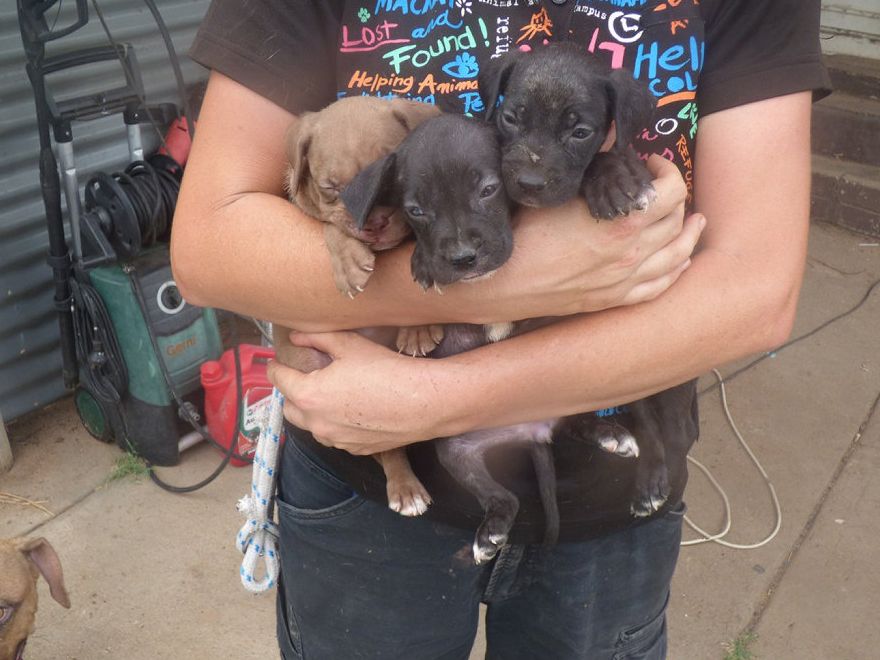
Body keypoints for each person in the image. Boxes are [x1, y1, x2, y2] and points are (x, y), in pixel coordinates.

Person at [172, 1, 830, 657]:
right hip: (367, 494)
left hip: (610, 494)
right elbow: (207, 249)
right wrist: (525, 273)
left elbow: (758, 290)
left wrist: (441, 398)